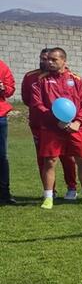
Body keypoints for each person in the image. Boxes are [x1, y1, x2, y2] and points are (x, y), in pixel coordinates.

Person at [30, 47, 82, 209]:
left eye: (54, 59)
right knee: (50, 161)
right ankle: (48, 198)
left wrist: (78, 122)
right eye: (48, 59)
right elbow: (37, 105)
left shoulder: (76, 80)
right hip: (51, 128)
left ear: (64, 61)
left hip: (76, 128)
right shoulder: (40, 81)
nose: (49, 62)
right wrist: (56, 120)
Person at [22, 49, 77, 200]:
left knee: (68, 157)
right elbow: (27, 100)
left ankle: (72, 187)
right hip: (39, 124)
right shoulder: (31, 77)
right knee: (44, 158)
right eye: (43, 59)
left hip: (63, 124)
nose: (46, 62)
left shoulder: (69, 76)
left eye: (49, 59)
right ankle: (50, 191)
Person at [0, 56, 14, 204]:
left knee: (2, 156)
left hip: (0, 116)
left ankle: (4, 194)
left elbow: (10, 89)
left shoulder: (2, 66)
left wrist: (4, 88)